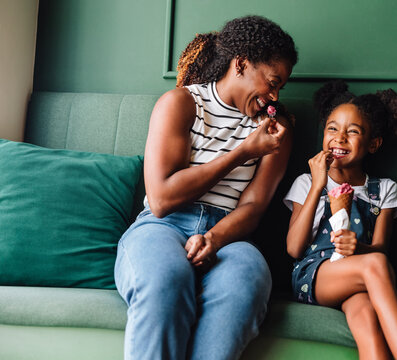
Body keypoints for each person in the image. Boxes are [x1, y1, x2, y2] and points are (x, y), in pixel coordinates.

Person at [114, 16, 298, 360]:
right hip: (161, 226)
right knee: (165, 281)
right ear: (240, 64)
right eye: (272, 82)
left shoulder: (276, 132)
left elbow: (254, 207)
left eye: (280, 89)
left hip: (230, 234)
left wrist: (214, 239)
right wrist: (243, 151)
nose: (273, 96)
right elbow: (162, 198)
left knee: (245, 284)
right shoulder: (181, 103)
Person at [284, 81, 397, 360]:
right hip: (316, 276)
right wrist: (317, 185)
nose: (340, 138)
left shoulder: (384, 190)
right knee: (378, 265)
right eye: (332, 128)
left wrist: (358, 249)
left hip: (361, 278)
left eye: (353, 131)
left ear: (373, 144)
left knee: (367, 318)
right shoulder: (306, 183)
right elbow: (294, 249)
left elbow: (381, 248)